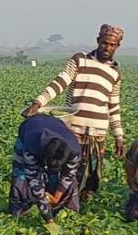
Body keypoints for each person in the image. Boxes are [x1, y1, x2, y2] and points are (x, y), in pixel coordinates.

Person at [23, 24, 126, 202]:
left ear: (117, 46)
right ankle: (57, 204)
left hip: (98, 134)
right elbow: (60, 82)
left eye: (112, 45)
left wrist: (118, 136)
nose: (107, 48)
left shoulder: (114, 72)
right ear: (98, 41)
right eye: (104, 43)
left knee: (91, 177)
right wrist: (38, 102)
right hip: (73, 129)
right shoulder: (80, 60)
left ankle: (78, 211)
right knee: (66, 170)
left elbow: (113, 106)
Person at [8, 114, 82, 224]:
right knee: (21, 176)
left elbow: (69, 175)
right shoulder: (31, 147)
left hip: (55, 125)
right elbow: (34, 180)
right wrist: (49, 219)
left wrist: (57, 196)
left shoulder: (74, 148)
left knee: (63, 179)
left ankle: (67, 213)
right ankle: (19, 214)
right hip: (29, 128)